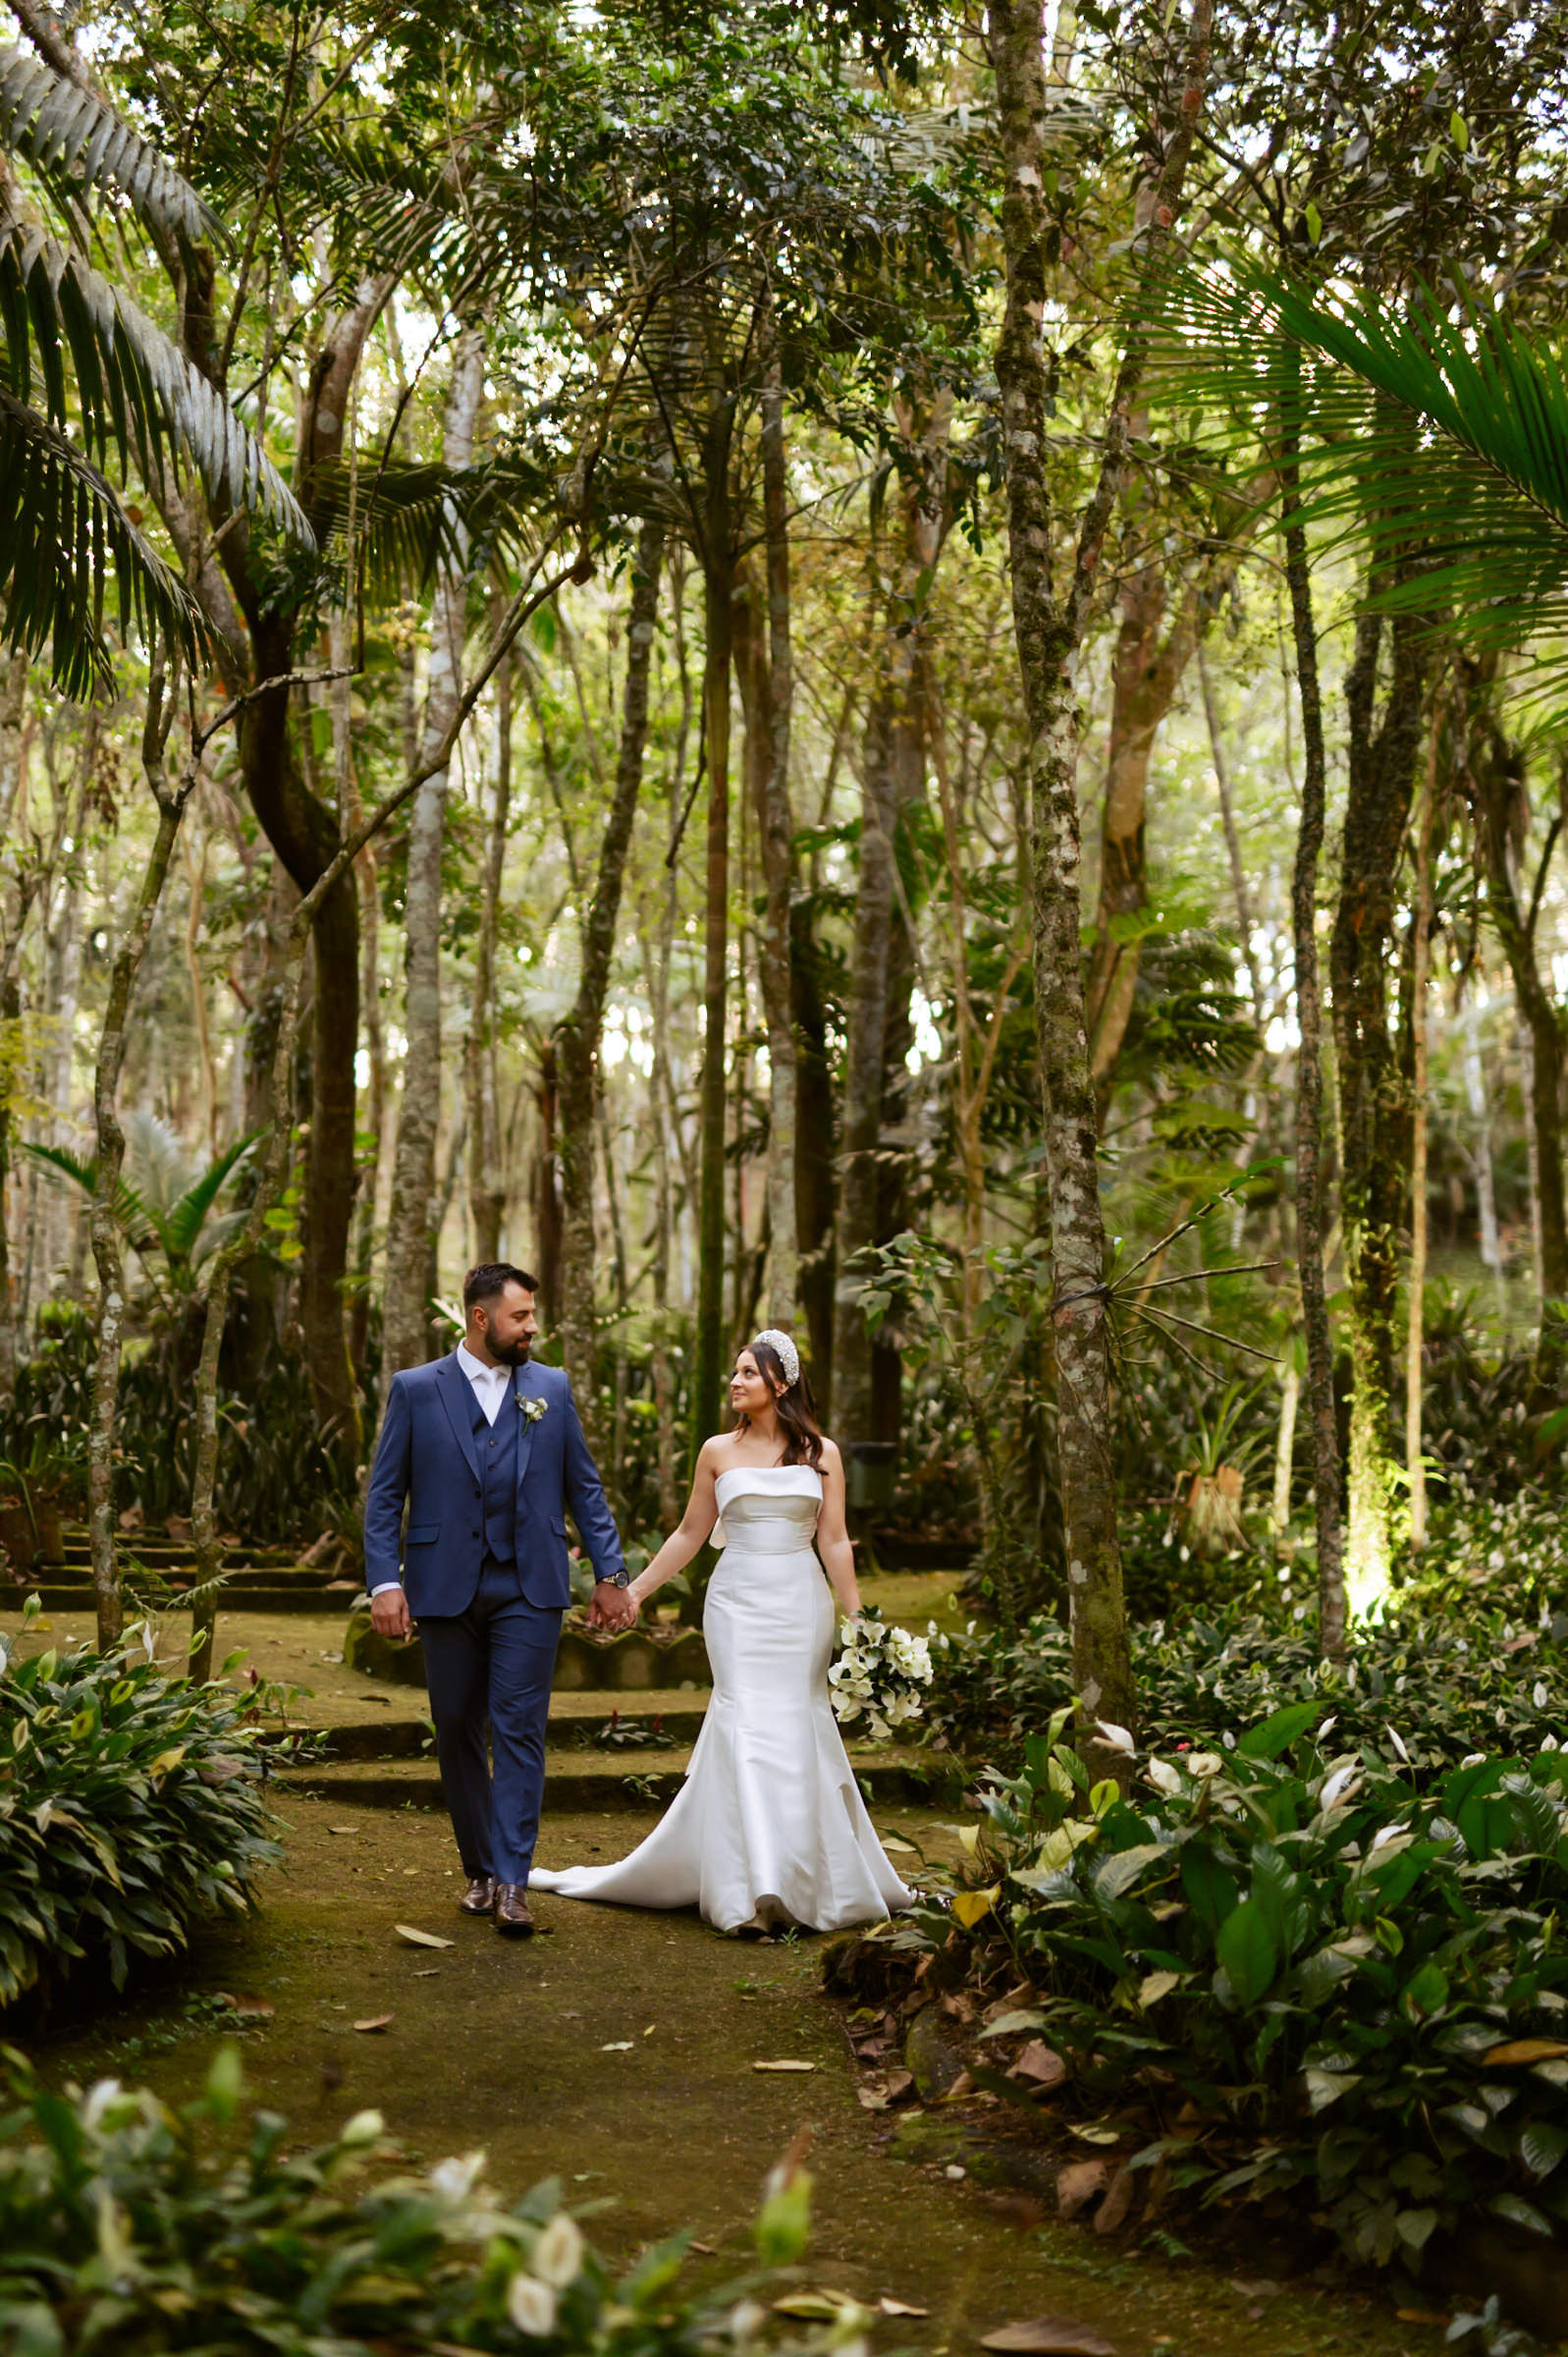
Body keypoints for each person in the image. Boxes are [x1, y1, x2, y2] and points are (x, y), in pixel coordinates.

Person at [529, 1329, 916, 1935]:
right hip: (735, 1604)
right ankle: (748, 1893)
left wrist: (859, 1619)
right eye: (733, 1373)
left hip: (799, 1603)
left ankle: (803, 1879)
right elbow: (689, 1533)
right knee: (746, 1723)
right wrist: (634, 1591)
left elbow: (834, 1539)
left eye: (748, 1374)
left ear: (781, 1385)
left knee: (796, 1723)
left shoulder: (823, 1454)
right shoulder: (716, 1451)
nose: (734, 1382)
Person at [362, 1263, 635, 1938]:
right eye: (520, 1317)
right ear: (479, 1318)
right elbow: (384, 1495)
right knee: (456, 1725)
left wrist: (611, 1572)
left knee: (519, 1728)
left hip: (530, 1583)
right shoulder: (417, 1390)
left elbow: (585, 1486)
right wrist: (384, 1581)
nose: (532, 1328)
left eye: (532, 1316)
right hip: (443, 1583)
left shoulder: (551, 1388)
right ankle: (480, 1870)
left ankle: (513, 1881)